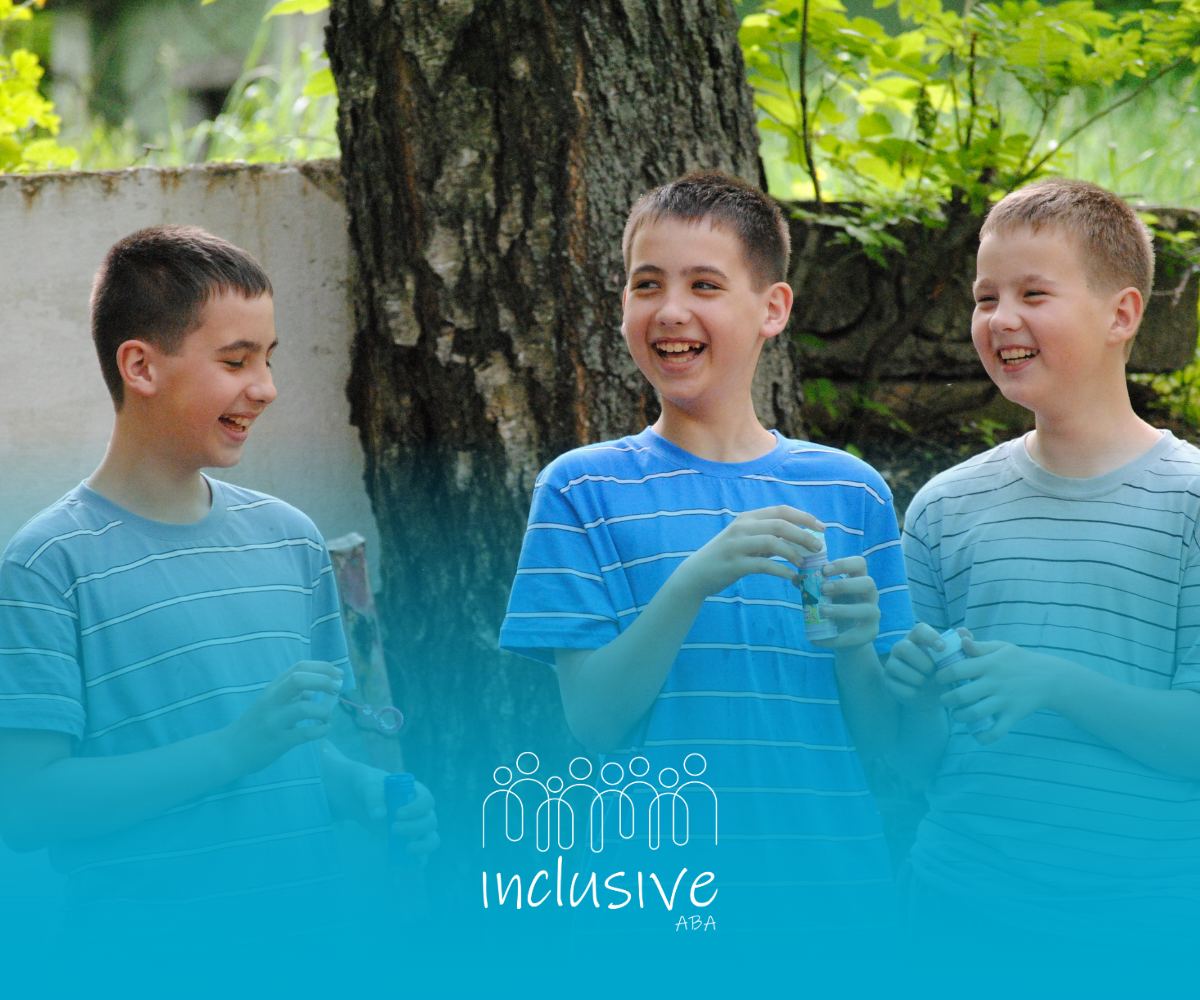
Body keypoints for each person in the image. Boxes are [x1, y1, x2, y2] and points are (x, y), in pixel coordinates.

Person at [0, 226, 437, 952]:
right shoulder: (48, 566)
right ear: (140, 366)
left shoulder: (293, 543)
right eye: (236, 361)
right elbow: (29, 806)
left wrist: (360, 791)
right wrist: (235, 748)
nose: (265, 387)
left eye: (267, 359)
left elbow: (290, 754)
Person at [499, 171, 914, 934]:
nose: (671, 311)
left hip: (835, 905)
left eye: (705, 284)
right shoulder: (579, 489)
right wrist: (694, 580)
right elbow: (593, 721)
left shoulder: (853, 493)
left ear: (772, 309)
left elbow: (892, 745)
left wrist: (858, 649)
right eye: (646, 283)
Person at [883, 178, 1200, 951]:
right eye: (985, 297)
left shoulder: (1190, 502)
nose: (1001, 320)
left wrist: (1052, 682)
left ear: (1122, 314)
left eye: (1034, 293)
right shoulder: (941, 509)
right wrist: (915, 695)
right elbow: (916, 761)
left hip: (1145, 926)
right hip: (959, 910)